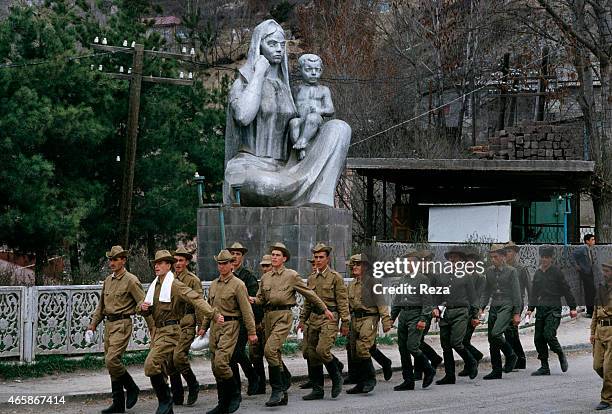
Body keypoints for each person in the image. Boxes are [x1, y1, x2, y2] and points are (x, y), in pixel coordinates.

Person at [223, 19, 351, 207]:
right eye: (271, 43)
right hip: (249, 167)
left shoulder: (287, 89)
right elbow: (243, 116)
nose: (278, 49)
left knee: (340, 128)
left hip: (286, 168)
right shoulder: (243, 83)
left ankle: (318, 201)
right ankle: (295, 192)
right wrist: (258, 73)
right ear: (259, 45)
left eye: (281, 45)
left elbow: (299, 127)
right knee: (263, 185)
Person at [250, 242, 333, 407]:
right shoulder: (265, 277)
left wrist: (324, 309)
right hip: (268, 317)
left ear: (284, 258)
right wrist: (251, 299)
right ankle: (283, 391)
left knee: (269, 350)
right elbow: (261, 299)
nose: (274, 257)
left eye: (277, 255)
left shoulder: (291, 275)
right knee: (274, 354)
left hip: (283, 316)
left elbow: (309, 294)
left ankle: (277, 390)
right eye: (272, 254)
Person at [138, 250, 219, 414]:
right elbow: (146, 307)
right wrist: (142, 307)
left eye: (161, 263)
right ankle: (168, 405)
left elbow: (195, 298)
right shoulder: (156, 285)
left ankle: (166, 401)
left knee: (151, 365)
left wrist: (211, 316)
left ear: (169, 265)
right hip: (158, 331)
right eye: (156, 263)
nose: (157, 266)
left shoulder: (174, 284)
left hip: (172, 331)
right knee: (162, 366)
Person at [88, 245, 150, 413]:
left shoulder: (131, 280)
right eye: (110, 259)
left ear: (123, 260)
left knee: (112, 360)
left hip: (122, 324)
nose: (112, 262)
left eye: (116, 259)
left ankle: (132, 387)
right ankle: (118, 403)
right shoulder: (108, 280)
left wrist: (153, 327)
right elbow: (101, 306)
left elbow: (142, 303)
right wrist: (93, 324)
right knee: (111, 364)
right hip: (108, 324)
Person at [201, 249, 257, 414]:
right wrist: (204, 327)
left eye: (225, 263)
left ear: (232, 265)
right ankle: (222, 402)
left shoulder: (238, 284)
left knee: (221, 362)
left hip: (231, 326)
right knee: (215, 366)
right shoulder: (213, 284)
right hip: (215, 327)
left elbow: (247, 311)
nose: (222, 266)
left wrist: (252, 332)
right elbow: (210, 308)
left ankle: (234, 395)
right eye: (219, 263)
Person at [299, 243, 349, 400]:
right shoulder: (311, 278)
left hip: (330, 317)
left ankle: (336, 377)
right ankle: (317, 389)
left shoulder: (336, 278)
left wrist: (345, 322)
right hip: (313, 318)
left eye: (321, 257)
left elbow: (342, 301)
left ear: (327, 259)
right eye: (316, 257)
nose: (318, 260)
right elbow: (308, 301)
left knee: (322, 350)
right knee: (312, 354)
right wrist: (302, 319)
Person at [345, 254, 392, 394]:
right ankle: (360, 382)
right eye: (353, 264)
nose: (354, 267)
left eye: (358, 264)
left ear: (365, 267)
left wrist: (386, 321)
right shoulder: (351, 285)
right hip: (355, 319)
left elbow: (381, 303)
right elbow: (348, 305)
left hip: (369, 318)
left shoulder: (372, 282)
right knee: (354, 350)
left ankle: (370, 379)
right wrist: (345, 323)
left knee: (363, 348)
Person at [527, 246, 577, 376]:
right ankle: (544, 366)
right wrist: (530, 309)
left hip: (554, 306)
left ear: (551, 258)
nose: (544, 260)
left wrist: (572, 308)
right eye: (542, 257)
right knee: (538, 338)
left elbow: (566, 290)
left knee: (548, 334)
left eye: (547, 257)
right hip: (541, 306)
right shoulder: (538, 273)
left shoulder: (556, 272)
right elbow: (534, 293)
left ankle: (560, 353)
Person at [391, 250, 436, 391]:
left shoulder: (422, 279)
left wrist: (423, 318)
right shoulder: (403, 279)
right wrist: (391, 318)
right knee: (403, 349)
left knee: (413, 346)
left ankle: (428, 369)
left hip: (416, 315)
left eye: (410, 262)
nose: (407, 264)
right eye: (406, 262)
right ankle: (408, 380)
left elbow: (427, 302)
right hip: (404, 315)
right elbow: (397, 300)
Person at [433, 248, 479, 385]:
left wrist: (474, 315)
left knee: (456, 342)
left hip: (461, 312)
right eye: (451, 258)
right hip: (445, 312)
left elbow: (473, 298)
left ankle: (471, 361)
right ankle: (449, 375)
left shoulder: (466, 276)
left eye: (456, 258)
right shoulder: (442, 277)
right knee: (445, 345)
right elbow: (437, 295)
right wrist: (435, 308)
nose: (453, 260)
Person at [480, 244, 521, 380]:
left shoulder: (511, 271)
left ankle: (510, 354)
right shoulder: (489, 271)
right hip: (494, 305)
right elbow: (486, 291)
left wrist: (516, 313)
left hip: (507, 305)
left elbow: (516, 293)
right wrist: (481, 307)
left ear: (503, 257)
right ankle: (496, 370)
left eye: (496, 257)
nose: (493, 259)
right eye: (491, 257)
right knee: (492, 339)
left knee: (496, 333)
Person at [169, 246, 203, 406]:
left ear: (187, 262)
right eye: (175, 260)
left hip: (187, 322)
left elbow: (199, 303)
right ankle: (177, 394)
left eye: (181, 260)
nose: (177, 263)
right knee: (170, 359)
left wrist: (202, 325)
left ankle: (193, 384)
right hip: (172, 324)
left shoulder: (192, 280)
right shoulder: (168, 278)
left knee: (179, 356)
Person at [227, 242, 262, 396]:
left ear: (242, 257)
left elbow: (253, 301)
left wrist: (253, 324)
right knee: (229, 355)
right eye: (232, 253)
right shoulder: (225, 276)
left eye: (238, 254)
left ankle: (252, 376)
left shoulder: (247, 276)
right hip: (228, 322)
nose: (234, 256)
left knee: (237, 351)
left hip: (242, 321)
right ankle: (235, 386)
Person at [289, 54, 335, 160]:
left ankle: (303, 141)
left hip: (316, 120)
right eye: (308, 69)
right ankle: (300, 149)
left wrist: (319, 110)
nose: (313, 73)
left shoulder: (324, 89)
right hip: (300, 119)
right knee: (294, 123)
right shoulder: (296, 89)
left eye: (317, 70)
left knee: (312, 117)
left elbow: (330, 109)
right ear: (300, 70)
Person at [457, 250, 486, 377]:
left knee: (464, 340)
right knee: (462, 340)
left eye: (472, 262)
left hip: (472, 311)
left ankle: (472, 360)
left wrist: (475, 314)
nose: (469, 264)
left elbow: (477, 297)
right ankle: (473, 359)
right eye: (467, 262)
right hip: (462, 311)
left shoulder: (480, 278)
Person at [503, 241, 530, 370]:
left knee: (510, 331)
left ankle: (516, 358)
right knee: (509, 332)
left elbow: (529, 288)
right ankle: (519, 358)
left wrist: (531, 308)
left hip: (516, 303)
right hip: (504, 303)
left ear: (514, 253)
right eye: (505, 251)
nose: (507, 254)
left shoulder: (521, 269)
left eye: (509, 251)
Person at [249, 254, 272, 395]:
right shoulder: (263, 281)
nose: (265, 269)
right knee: (255, 353)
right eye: (263, 266)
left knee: (271, 352)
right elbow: (258, 301)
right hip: (260, 321)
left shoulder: (281, 280)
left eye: (267, 265)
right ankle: (260, 385)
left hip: (273, 320)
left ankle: (282, 380)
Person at [591, 259, 612, 411]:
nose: (604, 274)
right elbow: (594, 312)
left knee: (608, 368)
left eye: (607, 271)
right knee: (597, 365)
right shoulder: (601, 288)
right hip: (600, 331)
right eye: (604, 270)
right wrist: (592, 332)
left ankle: (606, 398)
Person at [572, 233, 597, 317]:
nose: (594, 241)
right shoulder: (582, 248)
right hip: (585, 273)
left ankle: (591, 311)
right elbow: (572, 256)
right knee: (590, 292)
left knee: (591, 291)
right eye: (592, 240)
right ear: (587, 241)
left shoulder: (589, 249)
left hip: (589, 272)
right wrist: (577, 266)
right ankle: (590, 312)